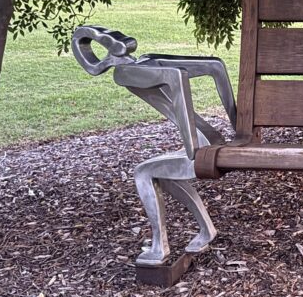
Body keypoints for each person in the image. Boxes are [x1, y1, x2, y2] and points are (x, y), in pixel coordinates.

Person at [72, 26, 235, 267]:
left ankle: (159, 248)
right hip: (211, 139)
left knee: (143, 173)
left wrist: (191, 147)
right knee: (164, 175)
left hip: (199, 146)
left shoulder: (126, 72)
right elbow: (216, 67)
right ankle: (206, 230)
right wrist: (239, 127)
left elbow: (176, 79)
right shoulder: (148, 60)